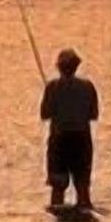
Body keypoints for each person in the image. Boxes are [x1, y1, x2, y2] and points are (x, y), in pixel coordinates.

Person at [40, 48, 99, 210]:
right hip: (82, 141)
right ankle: (84, 215)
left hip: (59, 141)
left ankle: (58, 219)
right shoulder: (88, 87)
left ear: (59, 67)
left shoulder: (52, 87)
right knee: (82, 188)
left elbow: (44, 114)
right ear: (76, 66)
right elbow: (93, 115)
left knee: (58, 188)